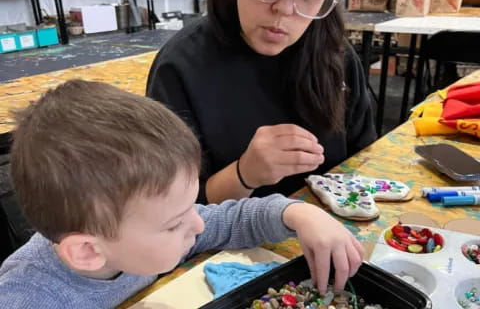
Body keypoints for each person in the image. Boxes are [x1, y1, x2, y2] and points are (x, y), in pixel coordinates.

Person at [0, 80, 364, 308]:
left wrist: (299, 214)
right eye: (175, 222)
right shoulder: (26, 296)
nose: (196, 223)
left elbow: (226, 219)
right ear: (87, 252)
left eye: (190, 206)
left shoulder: (143, 230)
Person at [146, 0, 376, 205]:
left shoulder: (337, 57)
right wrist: (244, 175)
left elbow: (363, 162)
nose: (285, 8)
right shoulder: (180, 67)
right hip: (230, 241)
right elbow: (168, 209)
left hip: (331, 237)